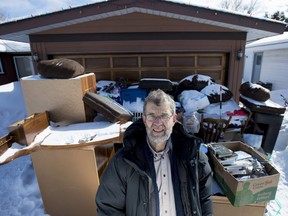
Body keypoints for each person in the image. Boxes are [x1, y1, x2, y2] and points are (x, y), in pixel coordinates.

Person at [96, 89, 213, 216]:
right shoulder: (124, 162)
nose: (158, 123)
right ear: (144, 119)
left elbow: (204, 199)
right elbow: (108, 207)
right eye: (152, 116)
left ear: (174, 119)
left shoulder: (193, 156)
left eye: (164, 116)